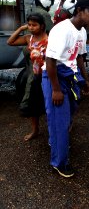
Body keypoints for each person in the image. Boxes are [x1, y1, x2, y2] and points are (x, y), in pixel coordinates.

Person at [42, 0, 89, 178]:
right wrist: (56, 89)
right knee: (60, 118)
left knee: (69, 113)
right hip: (55, 74)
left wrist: (85, 80)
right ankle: (60, 163)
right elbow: (50, 61)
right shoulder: (62, 30)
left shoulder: (81, 31)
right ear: (79, 11)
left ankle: (56, 139)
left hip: (71, 74)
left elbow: (79, 57)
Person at [7, 13, 48, 141]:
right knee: (33, 105)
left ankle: (57, 128)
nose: (31, 27)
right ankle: (35, 130)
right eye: (29, 25)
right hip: (32, 78)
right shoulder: (27, 38)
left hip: (47, 77)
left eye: (34, 25)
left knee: (49, 104)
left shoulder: (49, 39)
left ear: (42, 26)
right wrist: (20, 29)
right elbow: (10, 41)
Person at [19, 0, 54, 116]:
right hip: (37, 49)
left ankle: (28, 103)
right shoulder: (44, 14)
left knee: (31, 75)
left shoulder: (32, 10)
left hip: (30, 47)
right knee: (34, 76)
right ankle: (27, 104)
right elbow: (51, 31)